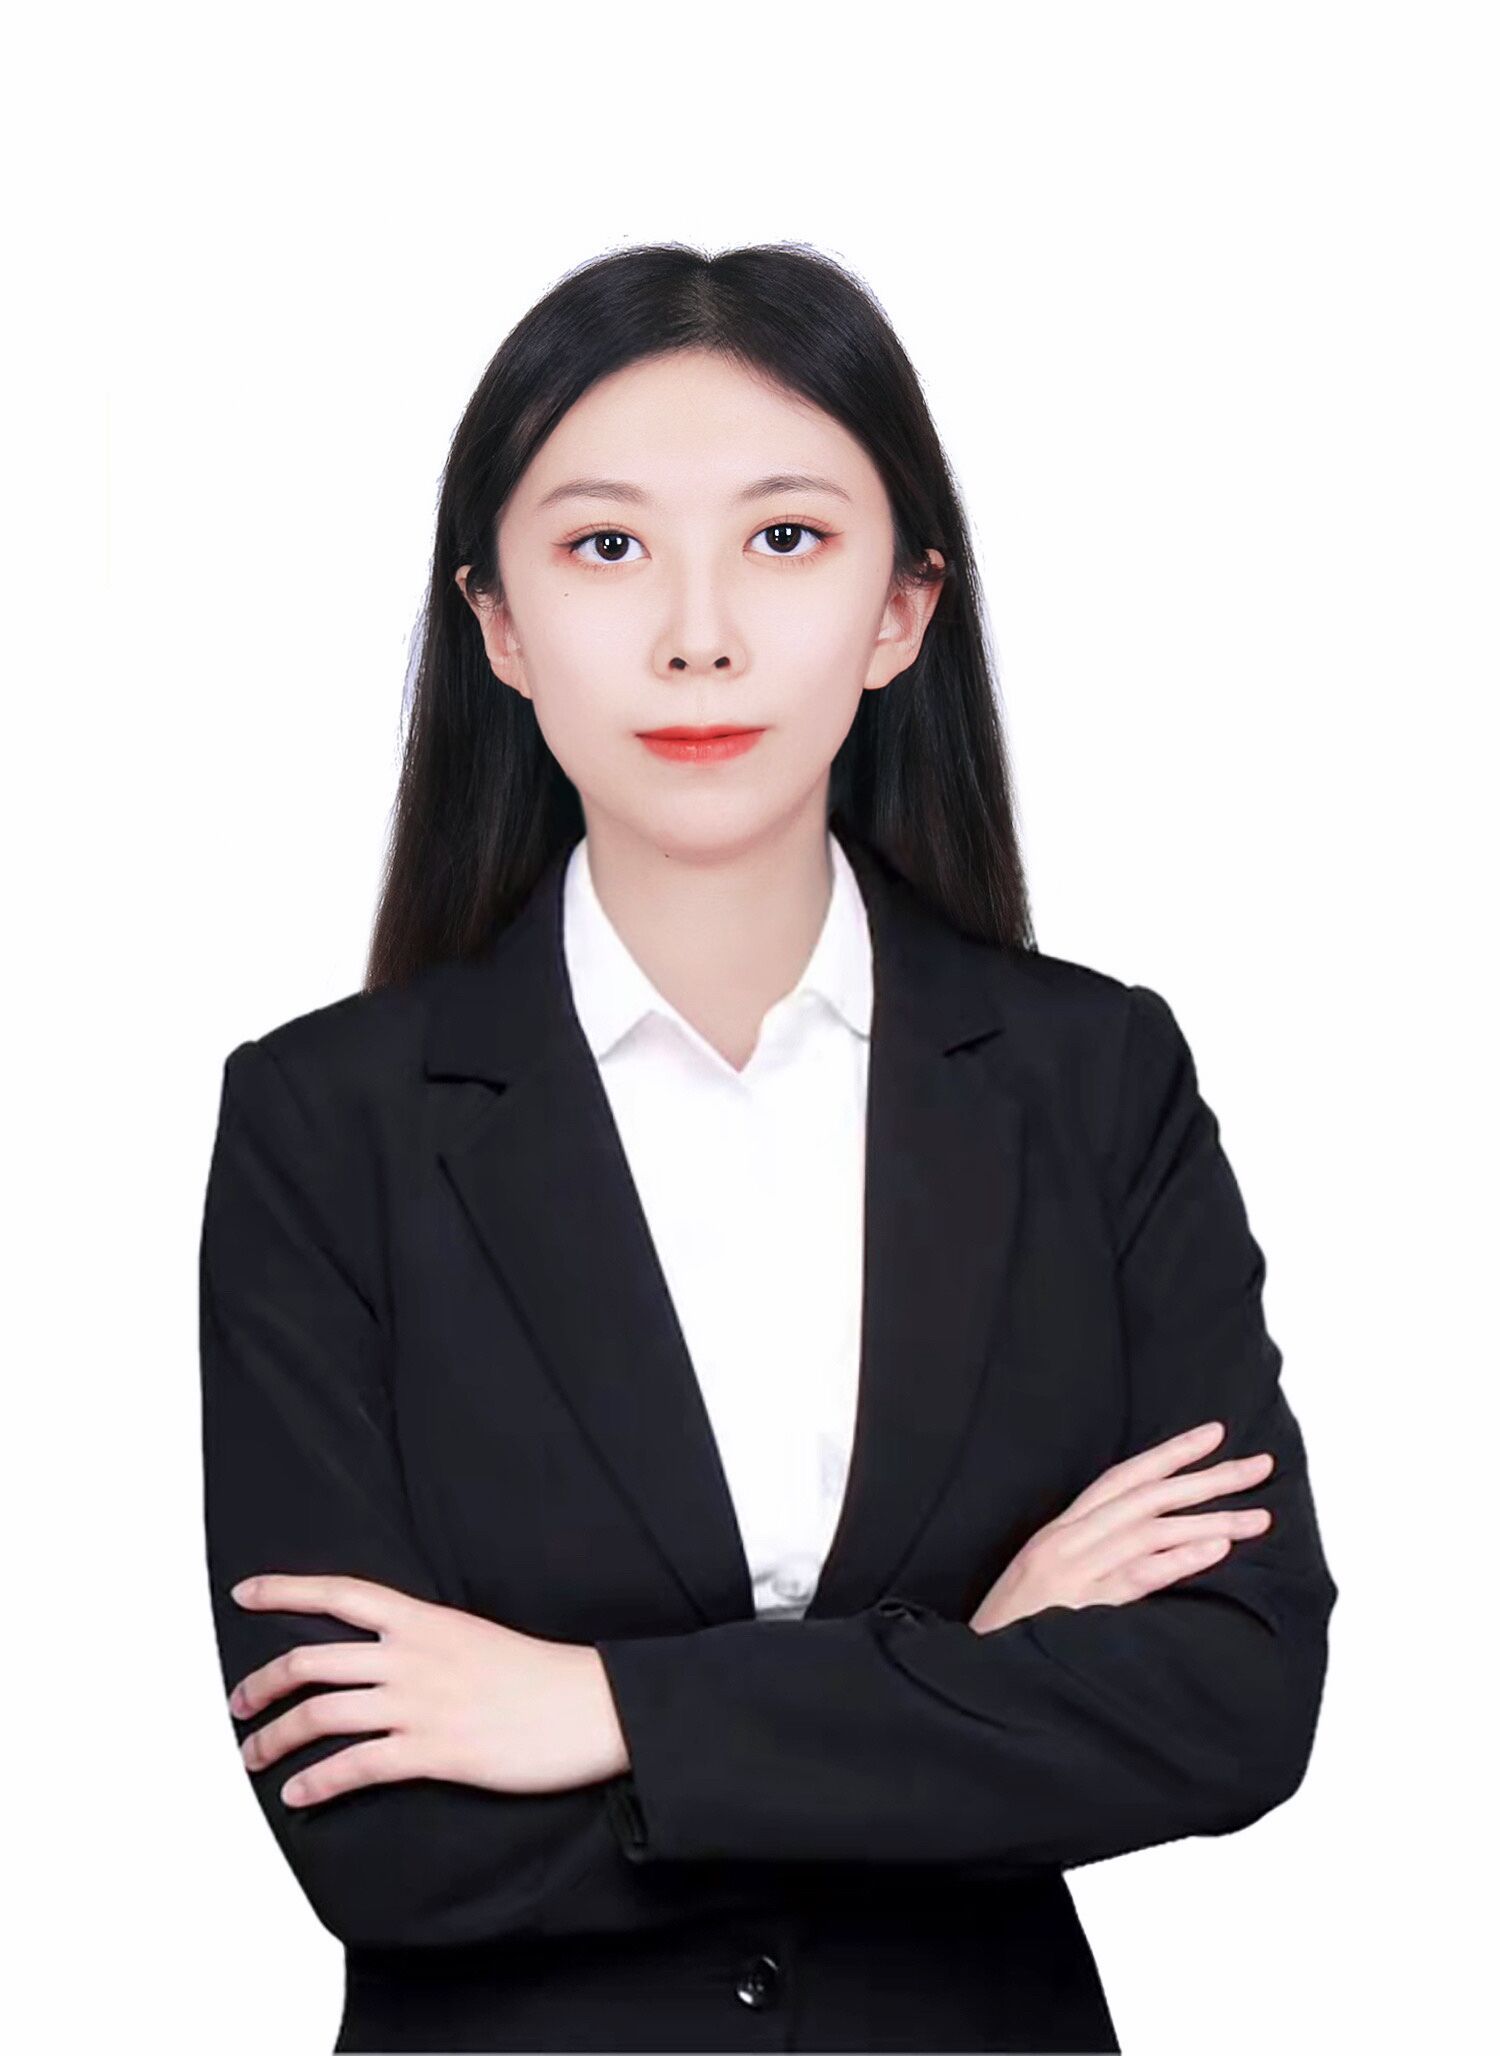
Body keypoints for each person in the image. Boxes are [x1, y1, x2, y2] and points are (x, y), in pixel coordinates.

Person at [198, 241, 1337, 2055]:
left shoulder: (1093, 1080)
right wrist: (969, 1675)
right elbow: (383, 1835)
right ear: (498, 624)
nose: (699, 633)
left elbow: (1234, 1699)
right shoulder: (325, 1127)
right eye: (606, 547)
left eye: (787, 538)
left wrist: (601, 1712)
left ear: (902, 609)